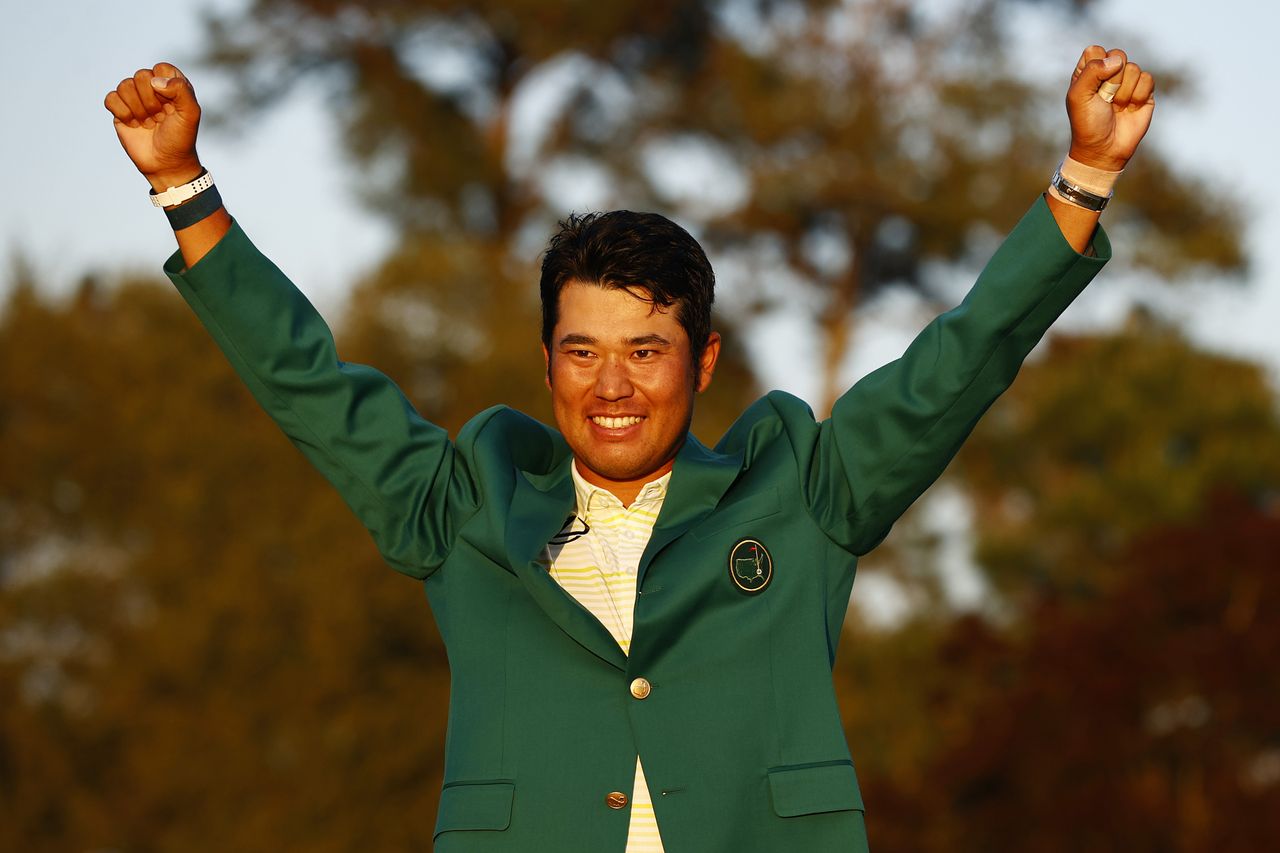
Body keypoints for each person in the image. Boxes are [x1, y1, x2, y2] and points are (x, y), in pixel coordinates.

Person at [105, 45, 1154, 852]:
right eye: (582, 351)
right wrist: (185, 188)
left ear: (701, 363)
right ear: (547, 361)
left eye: (645, 351)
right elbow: (308, 383)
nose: (611, 386)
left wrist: (1083, 173)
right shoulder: (461, 504)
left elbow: (956, 364)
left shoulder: (800, 491)